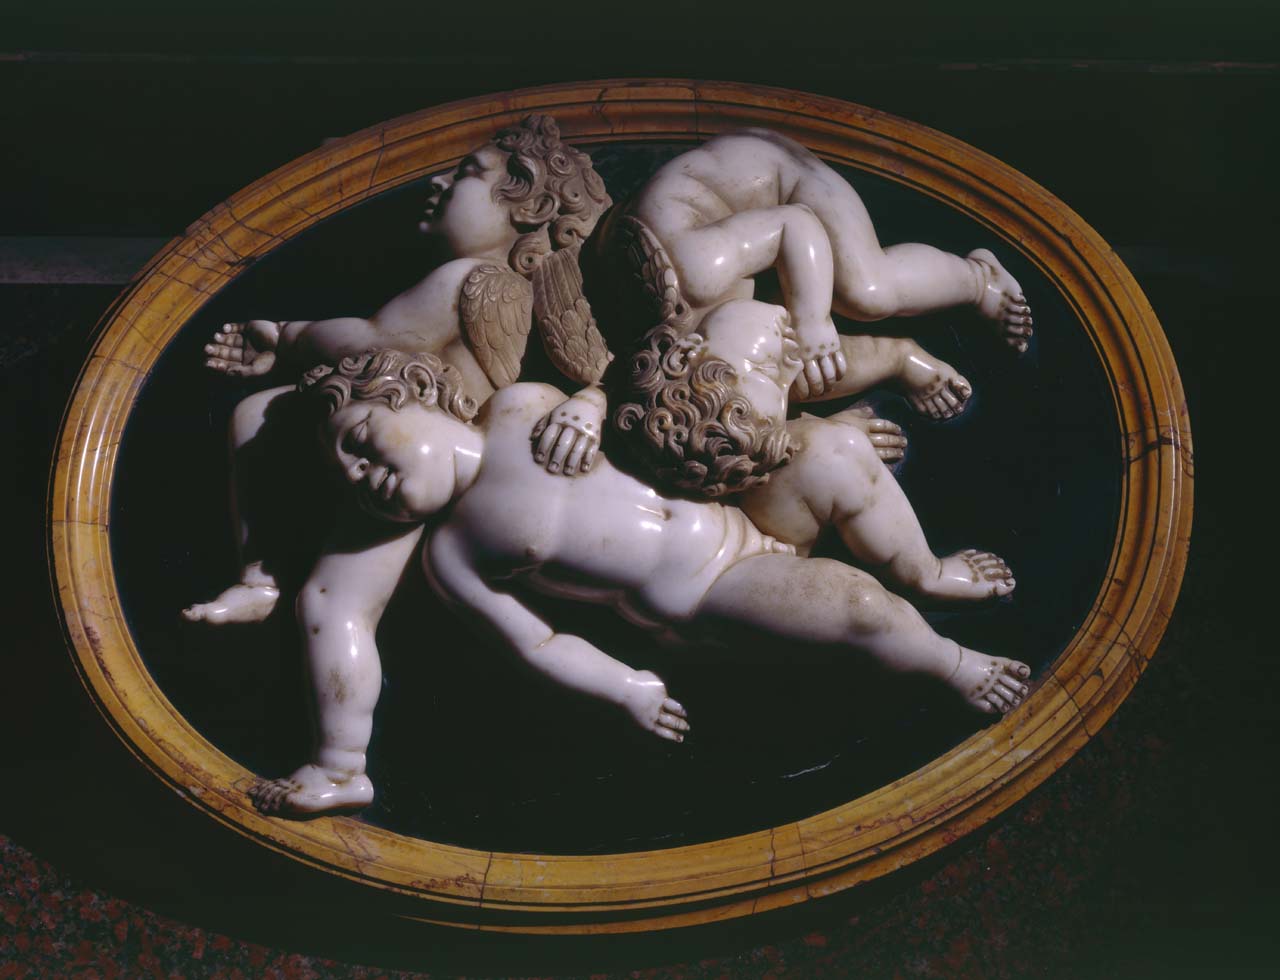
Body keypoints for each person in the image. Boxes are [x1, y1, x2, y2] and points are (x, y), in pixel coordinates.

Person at [231, 349, 1029, 816]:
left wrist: (588, 400)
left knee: (827, 450)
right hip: (716, 592)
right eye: (344, 477)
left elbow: (623, 384)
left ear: (415, 394)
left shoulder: (519, 403)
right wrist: (626, 687)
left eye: (361, 439)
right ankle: (952, 661)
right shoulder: (454, 557)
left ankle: (927, 570)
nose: (359, 474)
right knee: (854, 605)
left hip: (749, 510)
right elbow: (538, 641)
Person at [185, 114, 614, 624]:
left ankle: (261, 577)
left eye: (466, 173)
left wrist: (286, 336)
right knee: (339, 607)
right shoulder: (522, 294)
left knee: (261, 414)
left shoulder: (469, 276)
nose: (437, 181)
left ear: (534, 209)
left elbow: (376, 339)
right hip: (441, 465)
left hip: (405, 450)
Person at [613, 301, 1016, 601]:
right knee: (831, 449)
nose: (788, 372)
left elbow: (793, 226)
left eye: (768, 372)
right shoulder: (731, 360)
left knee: (800, 358)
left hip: (717, 435)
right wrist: (812, 431)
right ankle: (926, 574)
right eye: (774, 378)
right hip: (755, 538)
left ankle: (898, 355)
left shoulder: (708, 304)